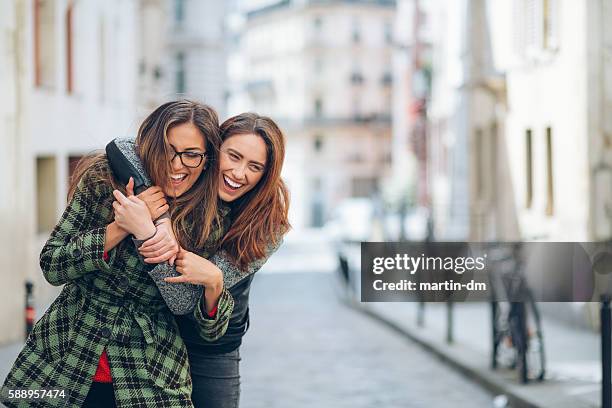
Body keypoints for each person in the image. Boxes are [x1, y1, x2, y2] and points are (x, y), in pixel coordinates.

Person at [0, 100, 234, 408]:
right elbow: (52, 265)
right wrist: (119, 228)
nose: (177, 165)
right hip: (64, 362)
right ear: (150, 145)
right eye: (168, 150)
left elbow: (208, 329)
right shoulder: (104, 178)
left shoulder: (210, 218)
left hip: (150, 377)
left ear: (206, 160)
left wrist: (214, 283)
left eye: (191, 155)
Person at [135, 113, 291, 408]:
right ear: (213, 150)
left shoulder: (269, 227)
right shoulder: (187, 178)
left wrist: (213, 278)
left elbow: (186, 296)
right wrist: (162, 219)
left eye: (255, 167)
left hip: (213, 347)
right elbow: (124, 146)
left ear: (265, 174)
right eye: (233, 156)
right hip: (158, 335)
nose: (239, 173)